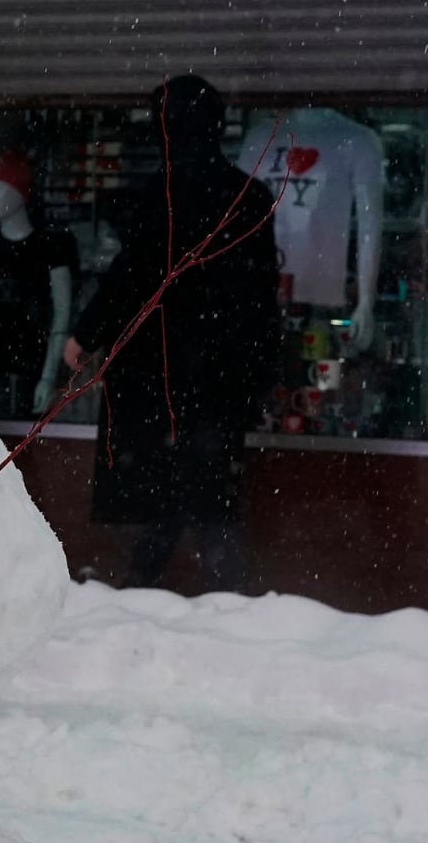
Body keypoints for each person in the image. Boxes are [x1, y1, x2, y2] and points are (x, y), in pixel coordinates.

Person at [61, 76, 279, 593]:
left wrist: (86, 334)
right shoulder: (248, 197)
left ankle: (142, 593)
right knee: (207, 498)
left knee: (164, 495)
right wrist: (261, 376)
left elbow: (131, 275)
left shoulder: (160, 196)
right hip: (218, 375)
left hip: (157, 372)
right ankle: (223, 602)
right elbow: (262, 298)